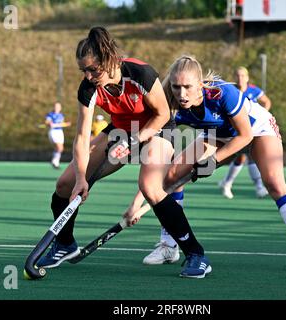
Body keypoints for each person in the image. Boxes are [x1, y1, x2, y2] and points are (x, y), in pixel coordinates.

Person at [36, 27, 210, 279]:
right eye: (83, 70)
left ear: (109, 60)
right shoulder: (88, 88)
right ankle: (65, 244)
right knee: (65, 184)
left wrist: (133, 141)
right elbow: (83, 137)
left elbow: (162, 114)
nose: (88, 76)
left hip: (157, 130)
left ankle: (195, 254)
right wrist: (82, 179)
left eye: (93, 69)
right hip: (120, 129)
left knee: (150, 187)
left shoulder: (140, 73)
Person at [124, 56, 286, 271]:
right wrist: (136, 203)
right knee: (173, 175)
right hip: (217, 135)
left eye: (187, 87)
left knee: (274, 183)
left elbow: (244, 136)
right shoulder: (169, 105)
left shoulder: (222, 93)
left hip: (256, 130)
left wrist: (212, 161)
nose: (182, 94)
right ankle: (169, 245)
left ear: (200, 84)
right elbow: (155, 168)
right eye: (176, 87)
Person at [219, 66, 272, 199]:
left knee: (251, 155)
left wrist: (263, 114)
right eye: (237, 75)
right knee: (241, 157)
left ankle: (256, 185)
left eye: (243, 75)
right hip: (236, 128)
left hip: (252, 127)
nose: (240, 78)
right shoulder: (231, 90)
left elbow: (266, 101)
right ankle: (228, 183)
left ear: (247, 78)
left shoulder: (253, 90)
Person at [45, 102, 71, 169]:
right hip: (53, 132)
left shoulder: (61, 115)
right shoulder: (50, 114)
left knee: (61, 149)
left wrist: (66, 124)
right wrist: (49, 123)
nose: (57, 108)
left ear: (60, 108)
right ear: (53, 107)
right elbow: (47, 122)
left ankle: (55, 162)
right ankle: (55, 161)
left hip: (60, 132)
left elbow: (61, 123)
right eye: (56, 106)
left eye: (58, 107)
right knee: (59, 147)